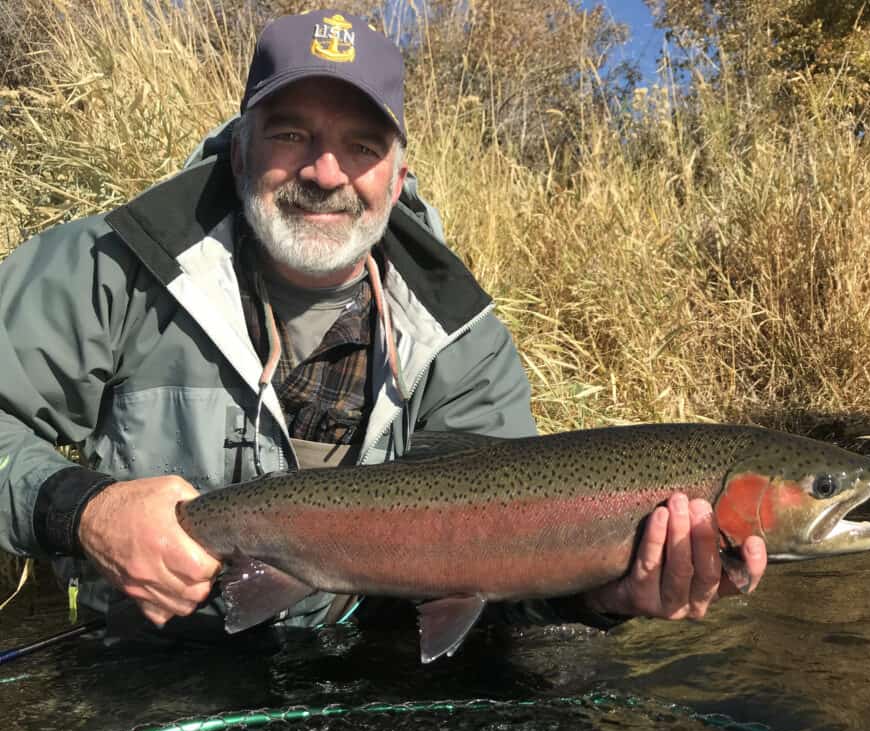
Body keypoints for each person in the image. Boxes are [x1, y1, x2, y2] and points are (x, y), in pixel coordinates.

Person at [0, 10, 766, 645]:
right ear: (239, 150)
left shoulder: (458, 338)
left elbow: (505, 591)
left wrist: (606, 597)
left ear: (397, 177)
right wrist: (81, 510)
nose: (326, 172)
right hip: (142, 659)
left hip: (364, 660)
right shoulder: (113, 266)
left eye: (362, 146)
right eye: (292, 133)